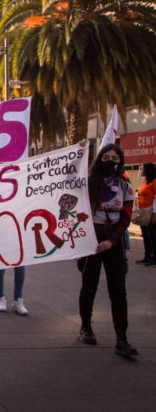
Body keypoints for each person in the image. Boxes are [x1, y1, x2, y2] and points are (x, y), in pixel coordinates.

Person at [77, 144, 138, 357]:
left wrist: (111, 241)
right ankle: (86, 327)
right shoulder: (87, 182)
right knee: (89, 285)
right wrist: (79, 152)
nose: (110, 160)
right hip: (91, 239)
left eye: (115, 157)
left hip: (114, 241)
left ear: (120, 161)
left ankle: (122, 338)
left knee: (118, 291)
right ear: (99, 159)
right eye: (106, 157)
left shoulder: (125, 186)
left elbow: (126, 217)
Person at [135, 162, 156, 266]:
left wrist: (154, 213)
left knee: (152, 235)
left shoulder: (154, 182)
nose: (141, 170)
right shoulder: (145, 181)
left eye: (142, 168)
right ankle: (147, 255)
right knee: (146, 235)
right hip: (143, 213)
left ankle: (154, 257)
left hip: (150, 212)